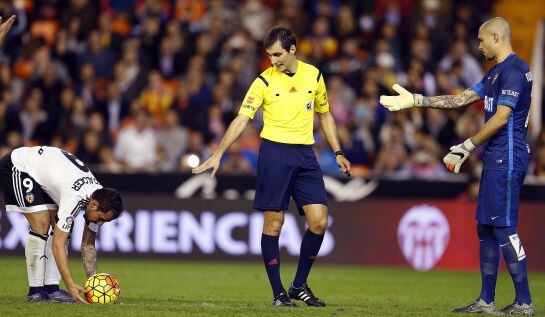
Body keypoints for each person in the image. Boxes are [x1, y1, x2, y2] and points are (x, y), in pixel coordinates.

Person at [380, 17, 534, 315]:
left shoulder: (516, 70)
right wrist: (416, 100)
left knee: (504, 229)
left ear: (496, 37)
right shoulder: (494, 74)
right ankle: (486, 300)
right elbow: (459, 99)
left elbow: (502, 118)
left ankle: (524, 301)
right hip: (494, 157)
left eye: (481, 40)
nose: (478, 46)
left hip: (509, 157)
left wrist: (466, 146)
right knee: (486, 227)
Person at [192, 26, 351, 307]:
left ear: (292, 49)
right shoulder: (263, 82)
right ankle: (279, 293)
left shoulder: (313, 75)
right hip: (274, 155)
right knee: (274, 223)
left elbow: (325, 115)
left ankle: (299, 285)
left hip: (305, 155)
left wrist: (338, 151)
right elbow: (241, 119)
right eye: (268, 55)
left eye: (277, 54)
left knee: (319, 221)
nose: (272, 60)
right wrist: (218, 153)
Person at [0, 146, 123, 303]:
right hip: (19, 165)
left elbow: (88, 244)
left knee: (64, 229)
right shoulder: (75, 196)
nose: (100, 224)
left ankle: (52, 289)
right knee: (42, 223)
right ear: (93, 204)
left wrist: (94, 285)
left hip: (46, 174)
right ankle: (36, 292)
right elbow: (57, 245)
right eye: (101, 219)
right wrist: (71, 285)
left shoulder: (98, 196)